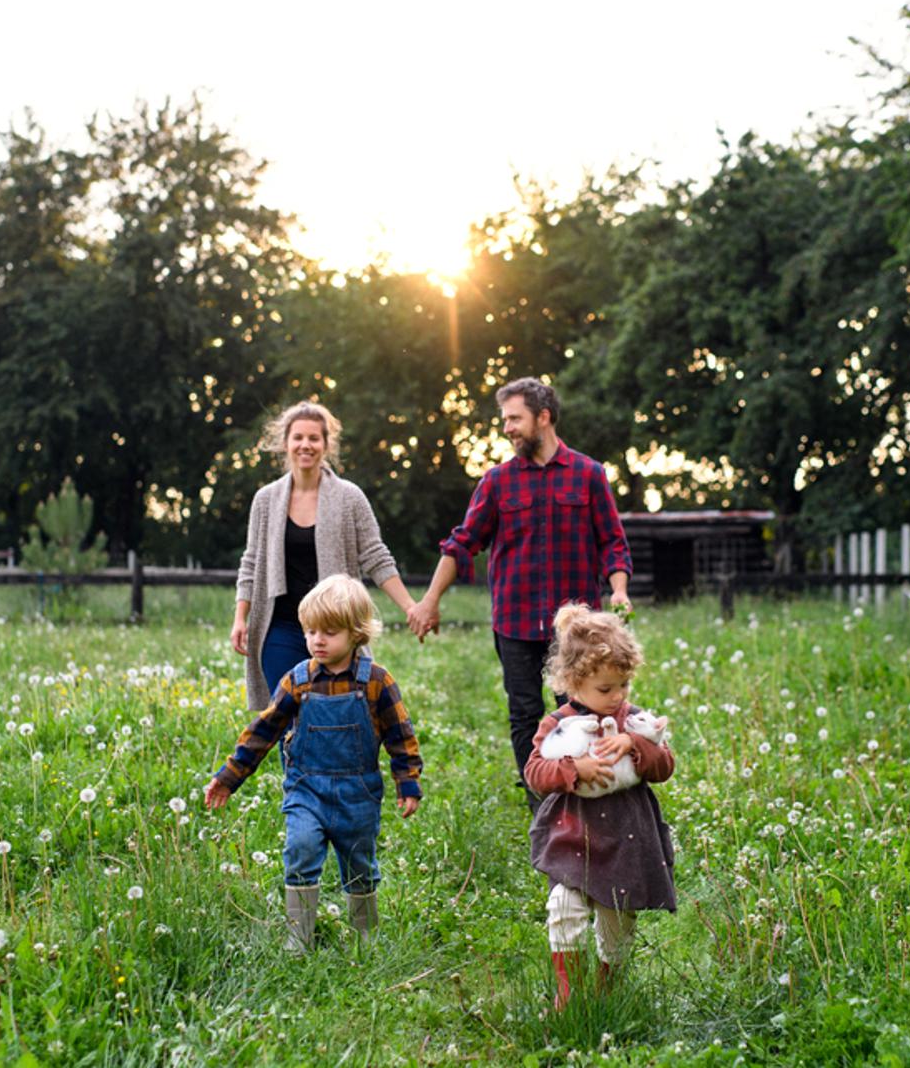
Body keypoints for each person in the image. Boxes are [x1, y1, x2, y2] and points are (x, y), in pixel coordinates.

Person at [407, 377, 632, 810]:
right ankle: (544, 805)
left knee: (585, 711)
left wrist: (619, 589)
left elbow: (613, 542)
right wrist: (429, 600)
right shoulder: (497, 482)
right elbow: (462, 542)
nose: (507, 427)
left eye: (515, 418)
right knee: (525, 714)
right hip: (515, 621)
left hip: (577, 629)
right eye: (505, 419)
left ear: (543, 417)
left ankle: (590, 799)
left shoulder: (589, 475)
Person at [204, 574, 423, 952]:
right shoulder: (297, 681)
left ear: (357, 634)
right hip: (307, 789)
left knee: (360, 864)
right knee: (300, 849)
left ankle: (364, 936)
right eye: (310, 631)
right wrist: (229, 777)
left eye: (329, 632)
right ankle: (298, 936)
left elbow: (400, 735)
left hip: (358, 794)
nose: (317, 640)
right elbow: (264, 730)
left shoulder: (376, 682)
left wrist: (408, 782)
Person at [522, 603, 674, 1010]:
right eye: (605, 690)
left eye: (623, 685)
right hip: (573, 835)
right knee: (564, 908)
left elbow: (665, 767)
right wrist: (574, 768)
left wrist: (636, 744)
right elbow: (534, 771)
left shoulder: (635, 721)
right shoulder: (556, 724)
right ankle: (567, 993)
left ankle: (609, 982)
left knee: (617, 920)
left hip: (625, 839)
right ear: (573, 684)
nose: (617, 697)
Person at [232, 402, 420, 715]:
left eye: (314, 438)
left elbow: (376, 556)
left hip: (335, 628)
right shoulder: (265, 500)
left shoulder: (350, 498)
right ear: (286, 444)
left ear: (326, 444)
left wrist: (411, 607)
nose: (306, 445)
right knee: (284, 715)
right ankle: (293, 768)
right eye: (298, 438)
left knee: (339, 710)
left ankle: (334, 766)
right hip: (280, 626)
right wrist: (241, 617)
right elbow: (251, 562)